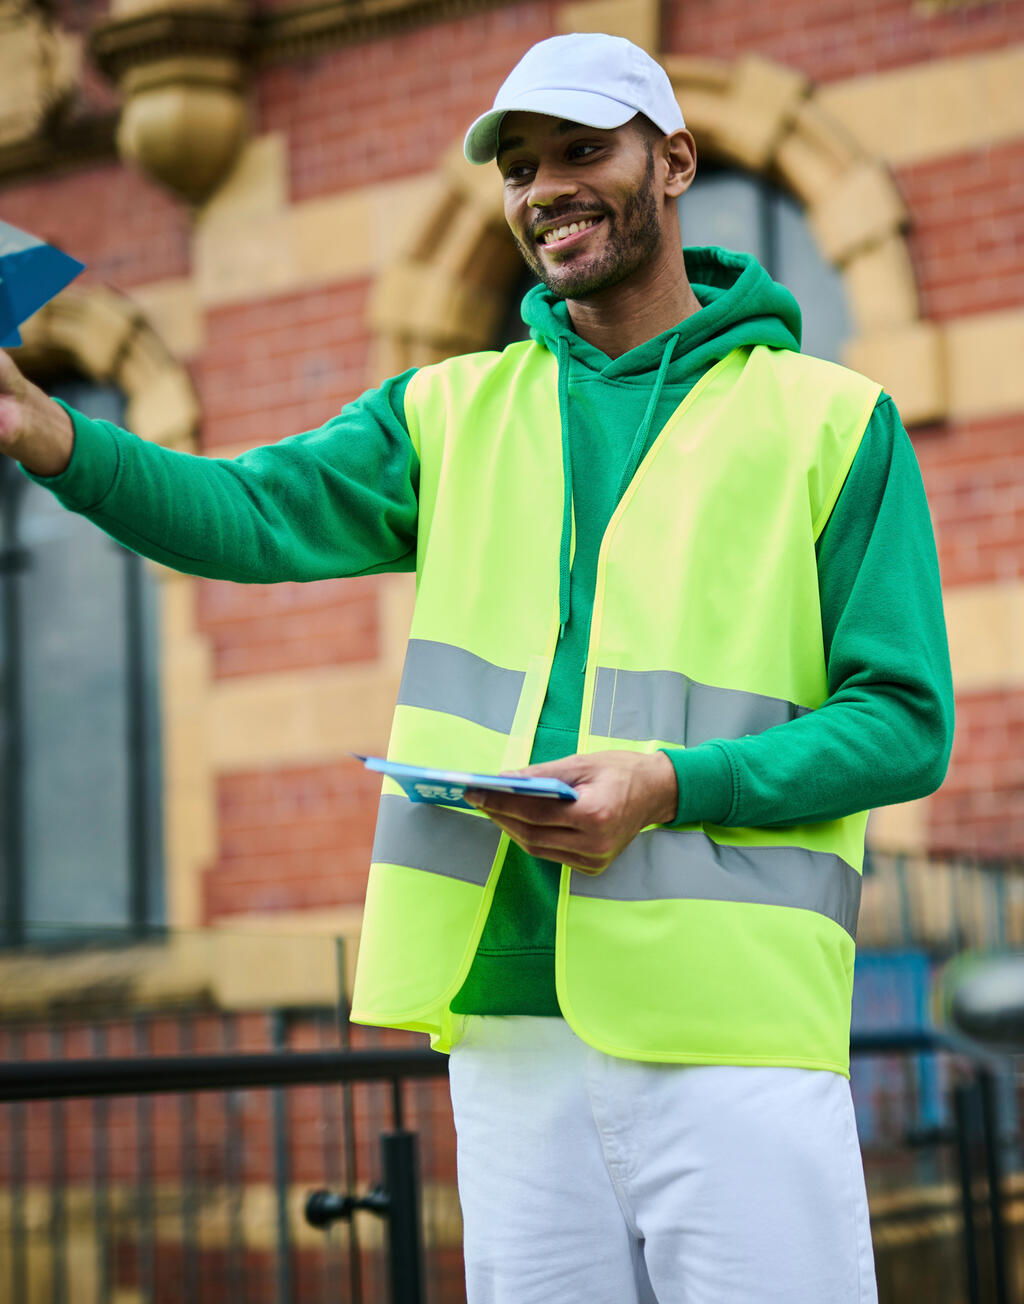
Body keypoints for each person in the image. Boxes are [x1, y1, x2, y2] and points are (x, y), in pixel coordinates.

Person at [0, 32, 953, 1304]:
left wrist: (666, 782)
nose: (544, 184)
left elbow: (902, 722)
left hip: (733, 1035)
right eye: (518, 164)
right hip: (506, 1026)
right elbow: (245, 513)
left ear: (670, 162)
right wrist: (52, 432)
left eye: (580, 150)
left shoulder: (831, 421)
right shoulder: (448, 410)